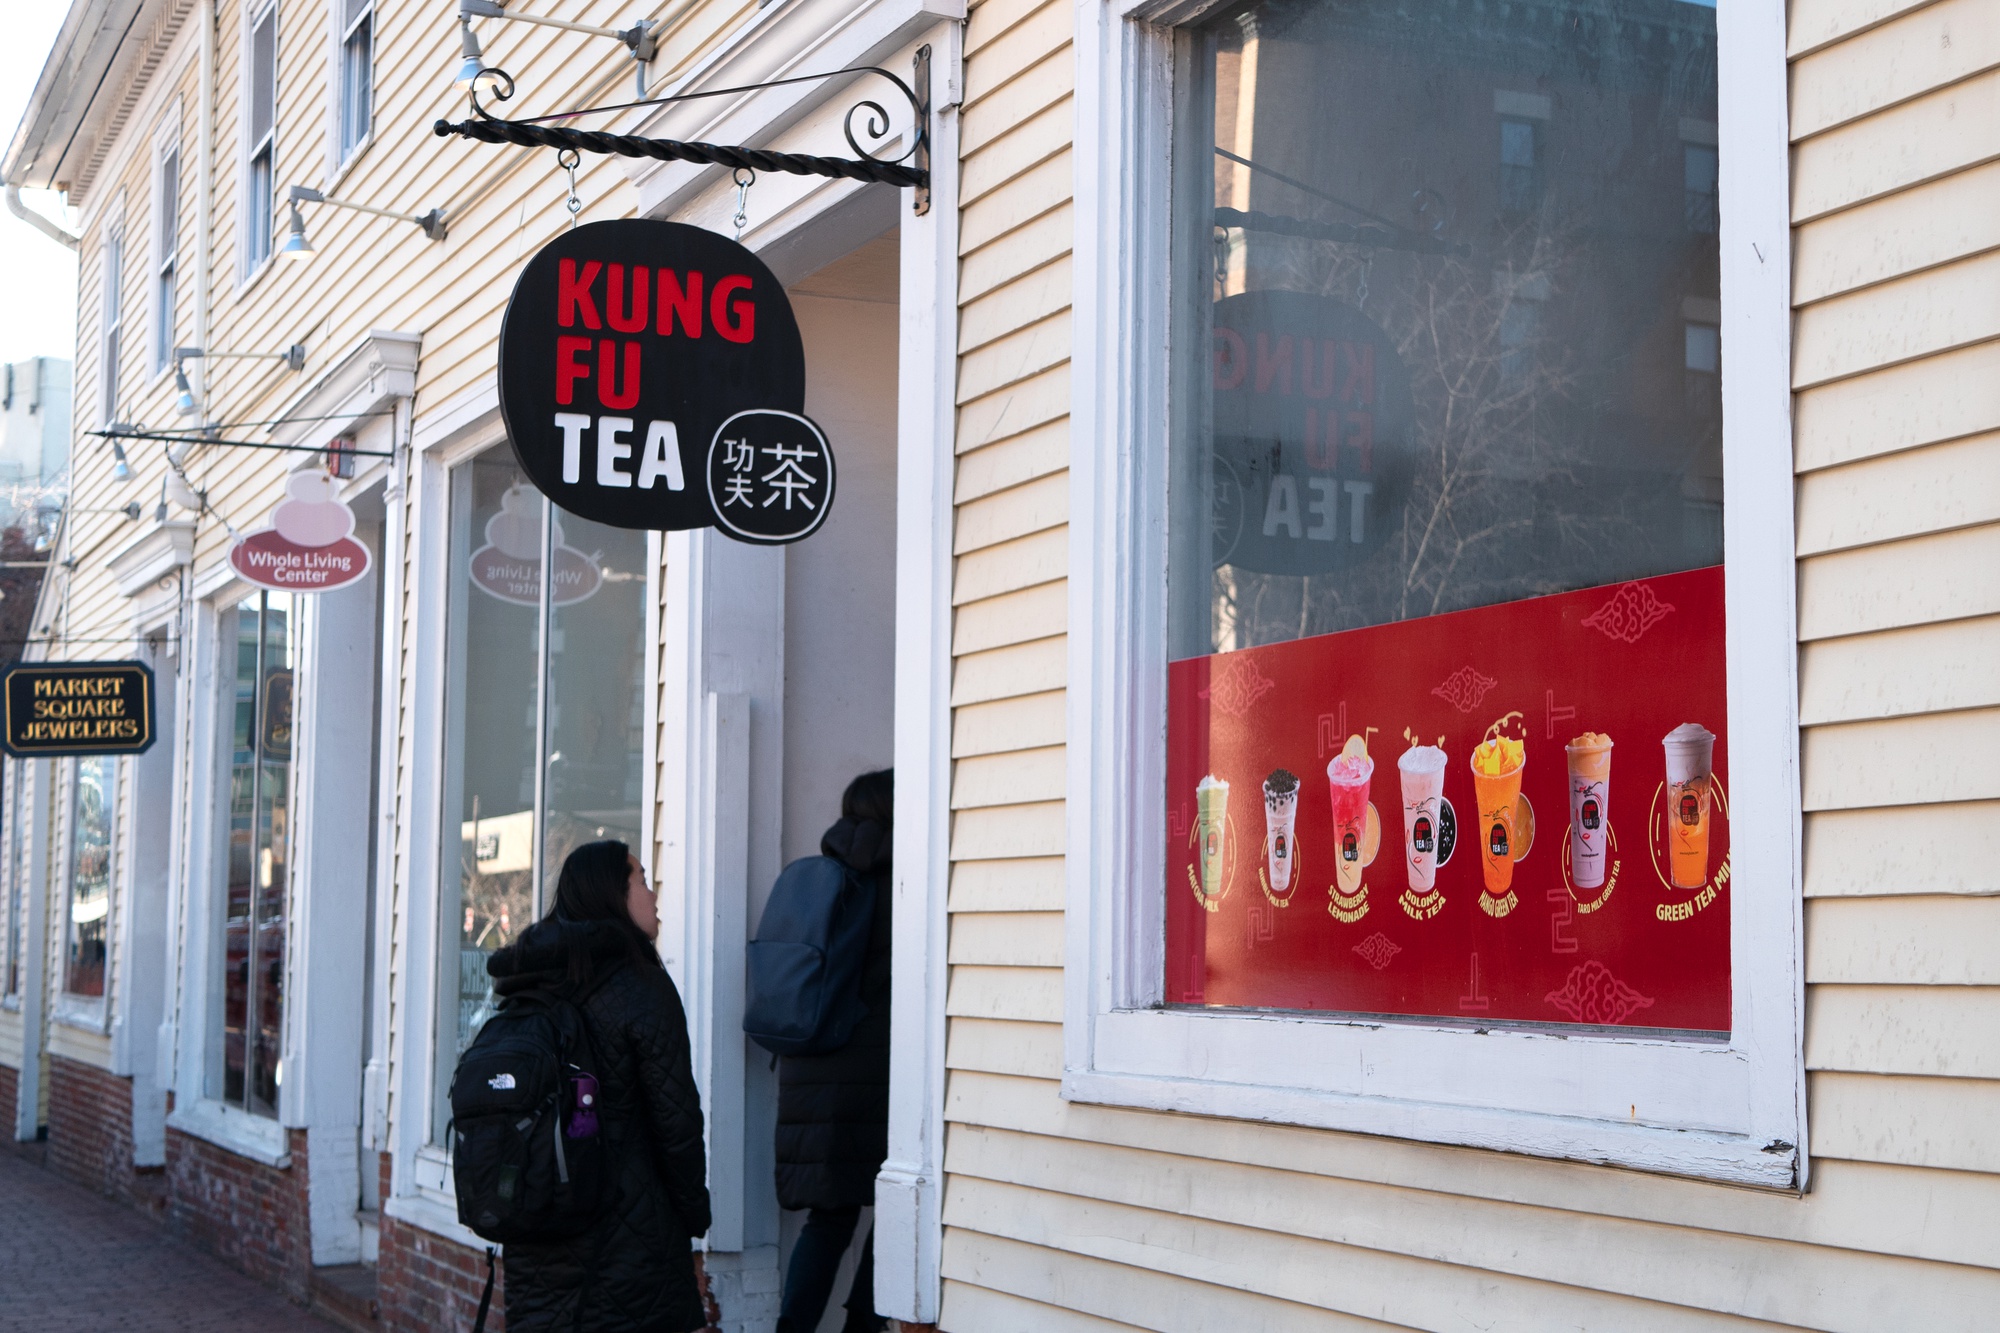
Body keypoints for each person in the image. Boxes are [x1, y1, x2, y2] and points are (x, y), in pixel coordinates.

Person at [488, 840, 714, 1333]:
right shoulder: (640, 985)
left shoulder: (530, 983)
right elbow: (676, 1121)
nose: (654, 895)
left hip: (538, 1231)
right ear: (614, 893)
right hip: (632, 1242)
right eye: (642, 880)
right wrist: (693, 1215)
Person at [775, 769, 895, 1333]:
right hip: (872, 1065)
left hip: (812, 1061)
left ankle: (792, 1327)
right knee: (894, 1203)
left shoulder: (823, 876)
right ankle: (861, 1326)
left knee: (830, 1215)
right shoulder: (897, 880)